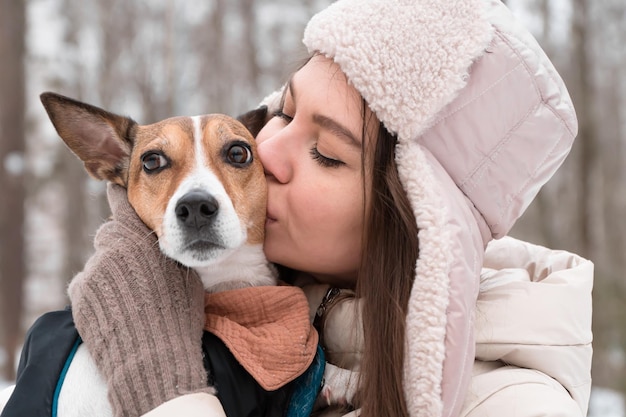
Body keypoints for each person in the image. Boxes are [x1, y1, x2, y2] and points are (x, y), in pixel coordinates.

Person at [0, 0, 593, 417]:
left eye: (328, 154)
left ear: (417, 218)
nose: (267, 152)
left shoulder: (510, 402)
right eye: (282, 110)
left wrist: (167, 389)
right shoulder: (282, 313)